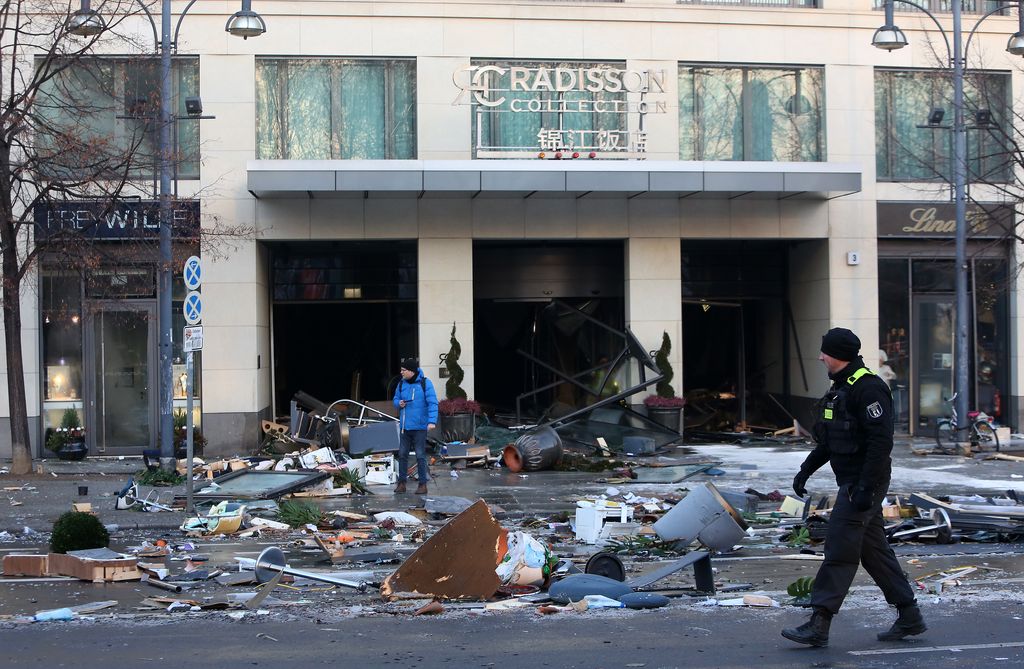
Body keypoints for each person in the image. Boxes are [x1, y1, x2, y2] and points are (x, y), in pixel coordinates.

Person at [781, 327, 925, 648]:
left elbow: (880, 443)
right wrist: (806, 470)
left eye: (824, 352)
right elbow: (831, 439)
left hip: (863, 483)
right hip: (852, 481)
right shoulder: (841, 388)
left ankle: (819, 622)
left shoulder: (869, 388)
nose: (820, 357)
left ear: (838, 355)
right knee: (872, 551)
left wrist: (865, 488)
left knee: (840, 548)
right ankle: (909, 615)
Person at [392, 357, 438, 495]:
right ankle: (401, 483)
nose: (401, 372)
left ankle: (422, 484)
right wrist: (398, 403)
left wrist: (432, 421)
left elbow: (433, 403)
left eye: (403, 370)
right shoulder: (401, 384)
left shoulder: (425, 383)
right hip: (405, 427)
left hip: (419, 427)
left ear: (411, 371)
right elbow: (395, 399)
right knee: (402, 455)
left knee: (420, 455)